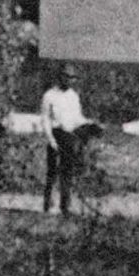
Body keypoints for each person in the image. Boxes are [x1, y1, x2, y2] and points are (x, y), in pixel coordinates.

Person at [39, 65, 93, 215]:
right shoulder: (49, 95)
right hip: (56, 135)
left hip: (69, 137)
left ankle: (64, 206)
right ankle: (47, 205)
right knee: (52, 172)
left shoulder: (73, 96)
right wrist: (51, 139)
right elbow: (45, 119)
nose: (69, 80)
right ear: (60, 77)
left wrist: (87, 123)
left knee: (67, 172)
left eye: (71, 78)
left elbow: (77, 118)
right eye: (66, 77)